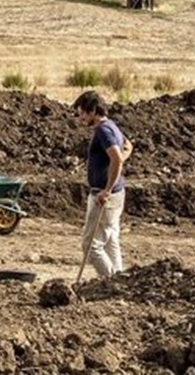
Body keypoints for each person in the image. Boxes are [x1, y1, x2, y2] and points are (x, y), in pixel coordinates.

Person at [72, 90, 133, 278]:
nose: (80, 118)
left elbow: (116, 157)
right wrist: (117, 162)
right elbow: (128, 146)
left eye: (82, 112)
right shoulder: (111, 125)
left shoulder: (103, 130)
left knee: (90, 245)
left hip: (105, 195)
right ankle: (119, 277)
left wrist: (107, 188)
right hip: (116, 193)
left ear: (92, 110)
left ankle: (110, 281)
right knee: (110, 239)